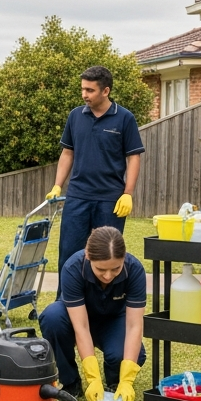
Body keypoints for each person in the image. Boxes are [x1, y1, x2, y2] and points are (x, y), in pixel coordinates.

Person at [46, 65, 145, 274]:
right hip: (77, 197)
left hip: (111, 200)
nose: (84, 95)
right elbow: (67, 153)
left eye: (90, 90)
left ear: (105, 91)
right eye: (83, 89)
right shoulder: (75, 116)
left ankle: (104, 303)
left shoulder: (125, 118)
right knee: (69, 256)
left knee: (108, 255)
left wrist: (128, 194)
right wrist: (57, 186)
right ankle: (65, 303)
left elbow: (133, 157)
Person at [38, 227, 148, 401]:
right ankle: (71, 383)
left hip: (113, 321)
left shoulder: (135, 270)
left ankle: (115, 382)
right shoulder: (73, 268)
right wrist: (92, 377)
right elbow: (80, 327)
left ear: (124, 257)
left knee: (127, 355)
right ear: (88, 256)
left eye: (116, 269)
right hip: (78, 319)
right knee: (52, 317)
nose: (108, 276)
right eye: (101, 269)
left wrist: (127, 378)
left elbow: (134, 326)